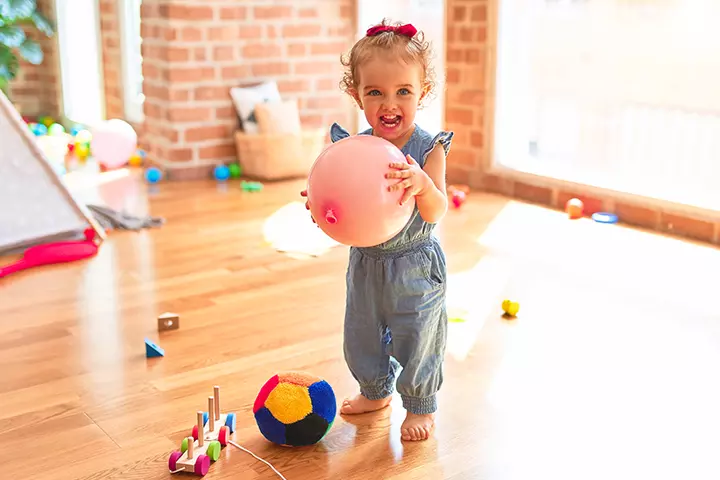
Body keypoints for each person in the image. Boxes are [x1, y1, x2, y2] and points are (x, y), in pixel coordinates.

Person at [301, 19, 454, 442]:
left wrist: (422, 183)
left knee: (418, 334)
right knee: (361, 331)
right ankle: (375, 389)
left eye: (403, 91)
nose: (390, 103)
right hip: (366, 262)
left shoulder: (429, 149)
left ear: (422, 93)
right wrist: (321, 206)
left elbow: (437, 210)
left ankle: (420, 404)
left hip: (414, 267)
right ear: (357, 95)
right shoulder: (353, 150)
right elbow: (341, 204)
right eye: (375, 92)